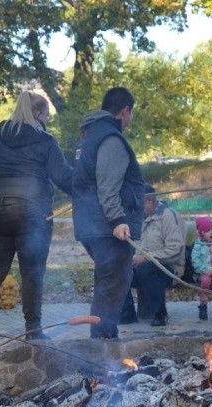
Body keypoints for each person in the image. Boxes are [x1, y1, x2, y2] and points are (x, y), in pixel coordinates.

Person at [0, 92, 73, 347]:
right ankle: (33, 329)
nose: (48, 121)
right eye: (47, 116)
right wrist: (86, 185)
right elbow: (64, 177)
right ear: (40, 114)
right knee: (32, 271)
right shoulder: (45, 141)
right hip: (30, 210)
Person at [70, 86, 147, 339]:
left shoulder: (89, 135)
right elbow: (107, 184)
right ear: (124, 111)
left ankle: (107, 343)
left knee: (108, 284)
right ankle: (101, 349)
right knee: (112, 286)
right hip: (107, 227)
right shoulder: (111, 139)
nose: (131, 119)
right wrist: (118, 219)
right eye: (131, 113)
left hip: (91, 224)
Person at [119, 190, 185, 326]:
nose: (136, 207)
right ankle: (127, 314)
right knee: (117, 269)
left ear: (150, 201)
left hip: (169, 269)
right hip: (143, 266)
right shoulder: (138, 218)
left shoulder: (168, 216)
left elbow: (175, 250)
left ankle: (159, 314)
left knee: (146, 268)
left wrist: (146, 258)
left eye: (139, 203)